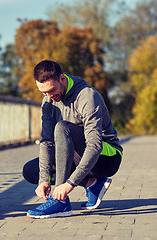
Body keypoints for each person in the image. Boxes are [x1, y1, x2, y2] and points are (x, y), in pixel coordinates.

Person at [23, 60, 123, 219]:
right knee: (31, 170)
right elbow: (47, 142)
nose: (49, 96)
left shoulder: (86, 96)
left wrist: (69, 184)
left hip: (107, 156)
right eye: (43, 93)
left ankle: (61, 203)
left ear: (62, 79)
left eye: (51, 90)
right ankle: (93, 184)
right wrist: (43, 179)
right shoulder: (48, 102)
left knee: (63, 128)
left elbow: (95, 146)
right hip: (78, 154)